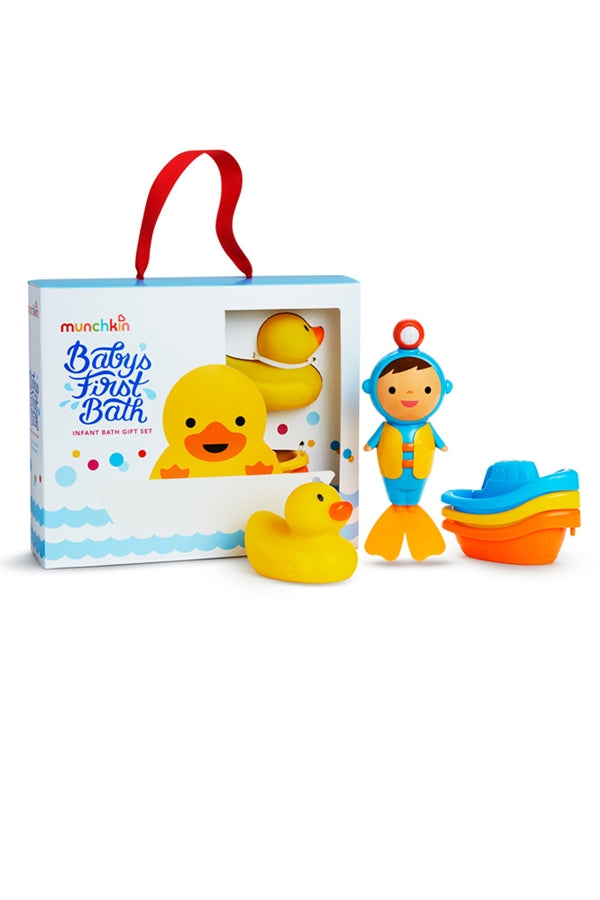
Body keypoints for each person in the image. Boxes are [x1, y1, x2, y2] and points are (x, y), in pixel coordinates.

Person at [362, 320, 452, 561]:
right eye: (392, 390)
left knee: (412, 497)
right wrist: (371, 443)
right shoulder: (386, 427)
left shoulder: (426, 427)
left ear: (444, 388)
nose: (410, 394)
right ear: (371, 388)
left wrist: (440, 443)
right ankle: (397, 519)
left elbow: (437, 441)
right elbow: (373, 441)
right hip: (392, 472)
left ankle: (412, 515)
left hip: (418, 472)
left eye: (426, 390)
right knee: (397, 496)